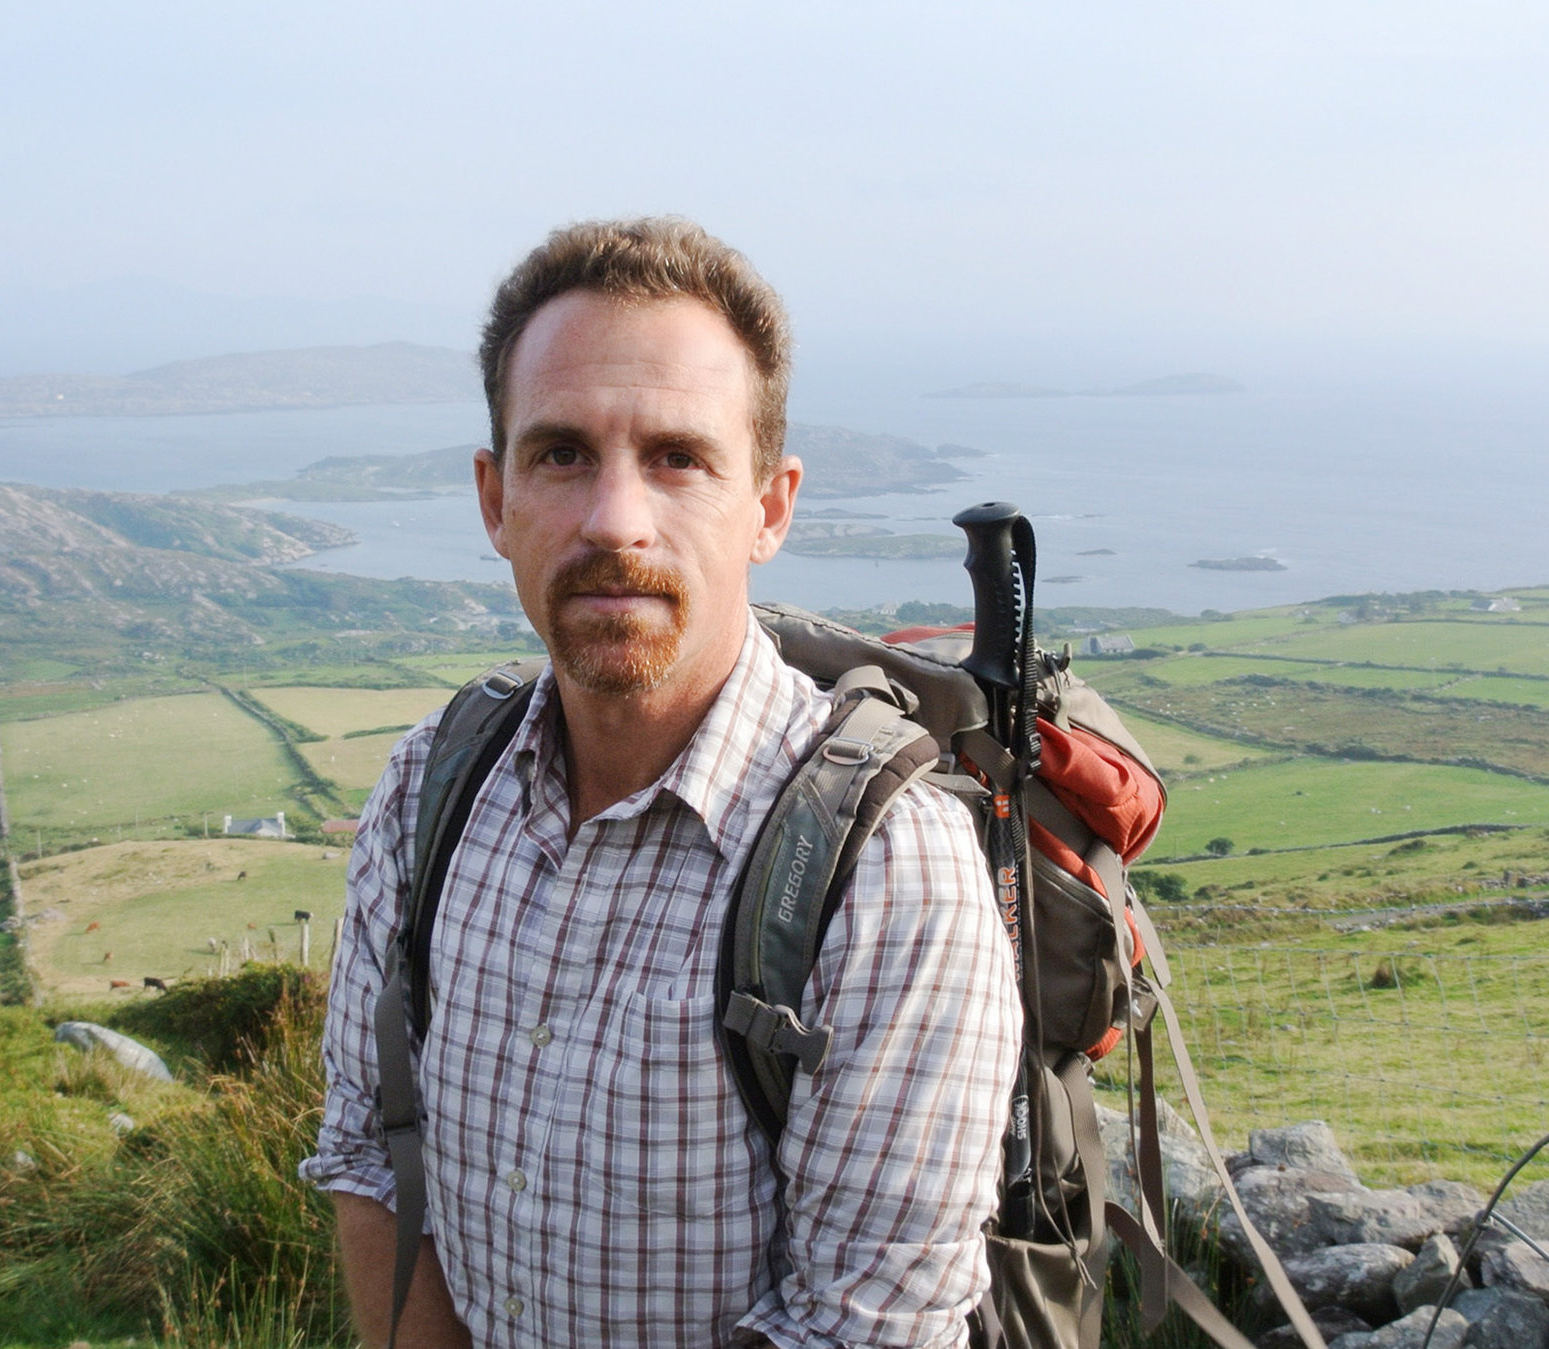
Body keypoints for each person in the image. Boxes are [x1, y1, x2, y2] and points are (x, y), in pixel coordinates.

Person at [302, 217, 1021, 1349]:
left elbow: (861, 1330)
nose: (615, 520)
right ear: (496, 498)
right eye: (562, 453)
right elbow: (370, 1150)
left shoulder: (885, 875)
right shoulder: (428, 789)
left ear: (770, 507)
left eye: (678, 457)